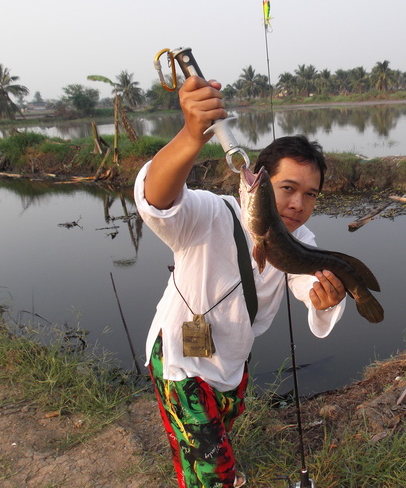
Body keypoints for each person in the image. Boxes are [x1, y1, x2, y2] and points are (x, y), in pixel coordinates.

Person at [134, 76, 347, 488]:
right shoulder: (209, 214)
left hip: (231, 362)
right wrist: (190, 136)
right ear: (258, 182)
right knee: (214, 470)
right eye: (287, 188)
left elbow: (305, 282)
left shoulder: (300, 240)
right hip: (180, 359)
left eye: (311, 194)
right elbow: (157, 201)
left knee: (212, 437)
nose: (297, 204)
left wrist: (325, 299)